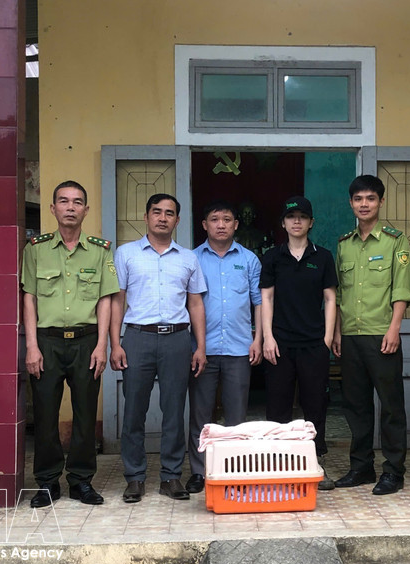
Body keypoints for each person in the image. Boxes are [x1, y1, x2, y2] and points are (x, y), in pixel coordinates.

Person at [21, 180, 119, 508]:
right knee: (45, 415)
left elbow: (106, 299)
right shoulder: (35, 249)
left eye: (77, 202)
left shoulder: (100, 250)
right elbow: (29, 297)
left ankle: (80, 480)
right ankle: (48, 482)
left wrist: (101, 345)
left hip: (86, 341)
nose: (70, 207)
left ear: (86, 210)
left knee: (85, 414)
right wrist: (31, 346)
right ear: (53, 208)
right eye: (63, 201)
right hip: (46, 342)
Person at [110, 193, 207, 502]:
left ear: (177, 220)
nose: (162, 218)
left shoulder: (188, 258)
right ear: (146, 217)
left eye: (169, 213)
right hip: (137, 338)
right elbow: (117, 301)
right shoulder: (126, 254)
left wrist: (200, 346)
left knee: (174, 410)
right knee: (133, 411)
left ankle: (171, 476)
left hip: (177, 339)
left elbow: (195, 303)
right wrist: (115, 343)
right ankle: (135, 477)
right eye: (157, 212)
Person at [332, 175, 410, 495]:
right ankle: (361, 467)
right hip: (351, 335)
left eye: (370, 198)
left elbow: (402, 289)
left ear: (381, 202)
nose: (364, 204)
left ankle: (393, 471)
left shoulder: (395, 241)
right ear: (351, 203)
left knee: (391, 406)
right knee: (356, 406)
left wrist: (395, 328)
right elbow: (340, 293)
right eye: (358, 199)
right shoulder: (344, 244)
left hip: (382, 335)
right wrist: (338, 331)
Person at [260, 196, 338, 490]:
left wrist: (327, 338)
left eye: (302, 217)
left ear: (311, 222)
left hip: (313, 344)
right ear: (283, 222)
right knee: (277, 406)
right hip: (279, 344)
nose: (297, 221)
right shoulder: (272, 257)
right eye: (291, 217)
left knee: (315, 406)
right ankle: (276, 464)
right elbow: (266, 297)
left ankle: (314, 464)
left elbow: (330, 299)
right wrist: (268, 336)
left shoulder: (323, 257)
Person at [185, 201, 263, 494]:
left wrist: (258, 339)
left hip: (239, 348)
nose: (221, 224)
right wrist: (197, 346)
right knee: (201, 415)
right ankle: (199, 471)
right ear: (204, 225)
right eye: (215, 219)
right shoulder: (192, 259)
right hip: (201, 350)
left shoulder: (249, 259)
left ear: (236, 225)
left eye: (227, 219)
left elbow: (258, 302)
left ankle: (235, 470)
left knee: (236, 416)